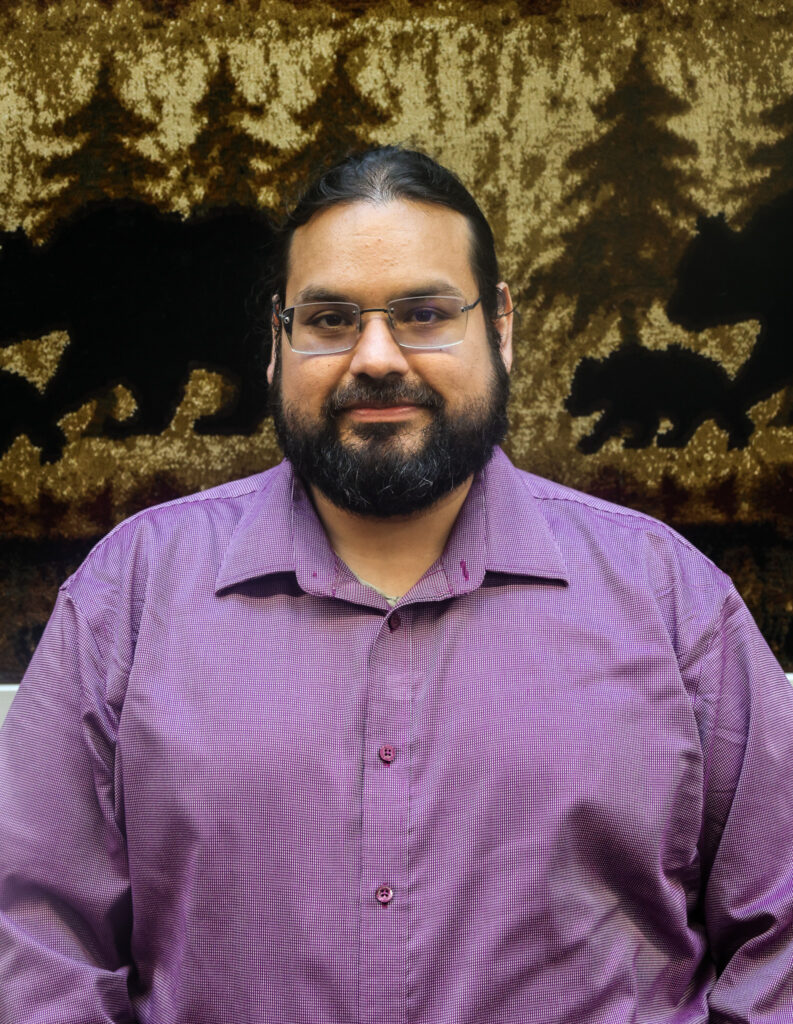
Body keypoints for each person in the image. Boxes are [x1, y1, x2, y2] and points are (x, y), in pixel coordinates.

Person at [1, 146, 792, 1024]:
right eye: (329, 319)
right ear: (276, 342)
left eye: (422, 314)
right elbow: (34, 945)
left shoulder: (669, 598)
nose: (375, 357)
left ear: (499, 328)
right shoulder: (130, 595)